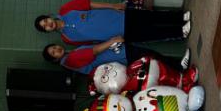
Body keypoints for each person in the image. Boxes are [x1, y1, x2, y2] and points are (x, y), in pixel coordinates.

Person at [35, 0, 190, 44]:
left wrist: (113, 5)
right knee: (152, 34)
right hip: (120, 35)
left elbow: (89, 4)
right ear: (48, 31)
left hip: (118, 16)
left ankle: (180, 17)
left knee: (151, 17)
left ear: (48, 17)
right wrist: (112, 42)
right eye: (45, 27)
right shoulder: (67, 38)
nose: (48, 24)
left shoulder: (65, 10)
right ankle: (180, 32)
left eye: (46, 21)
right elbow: (92, 44)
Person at [43, 37, 186, 75]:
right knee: (153, 58)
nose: (57, 49)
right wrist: (112, 41)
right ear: (55, 59)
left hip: (118, 57)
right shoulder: (70, 59)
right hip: (120, 56)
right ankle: (180, 68)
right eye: (54, 53)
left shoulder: (69, 58)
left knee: (152, 61)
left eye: (54, 47)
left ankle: (179, 68)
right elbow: (94, 51)